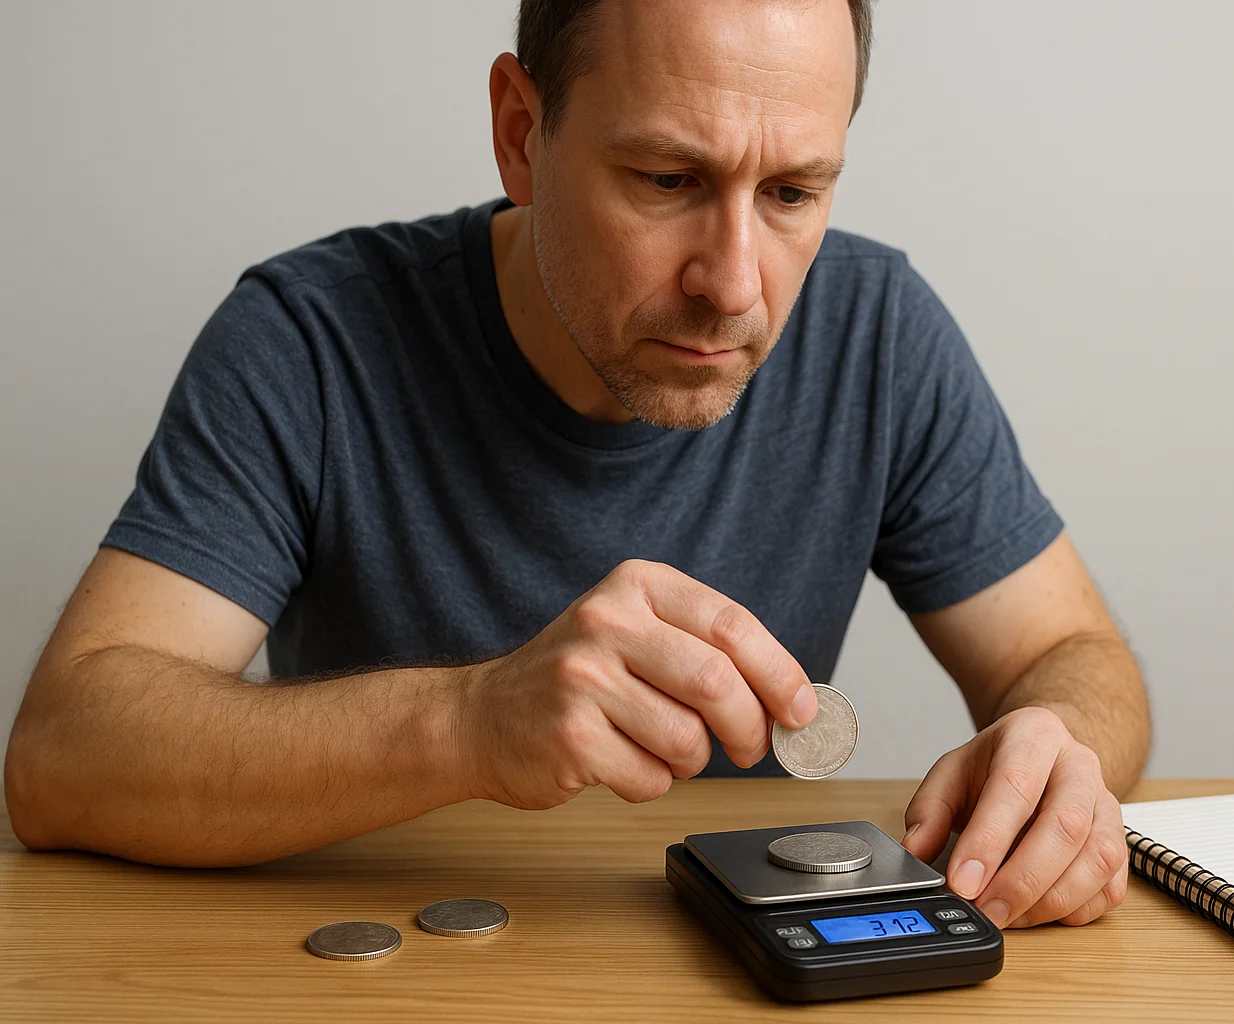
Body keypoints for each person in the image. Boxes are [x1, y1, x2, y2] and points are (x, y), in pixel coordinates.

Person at [4, 0, 1149, 933]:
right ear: (520, 132)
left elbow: (1072, 654)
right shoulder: (309, 341)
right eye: (666, 180)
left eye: (794, 193)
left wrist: (1059, 754)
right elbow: (63, 756)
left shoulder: (878, 331)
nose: (736, 284)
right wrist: (471, 720)